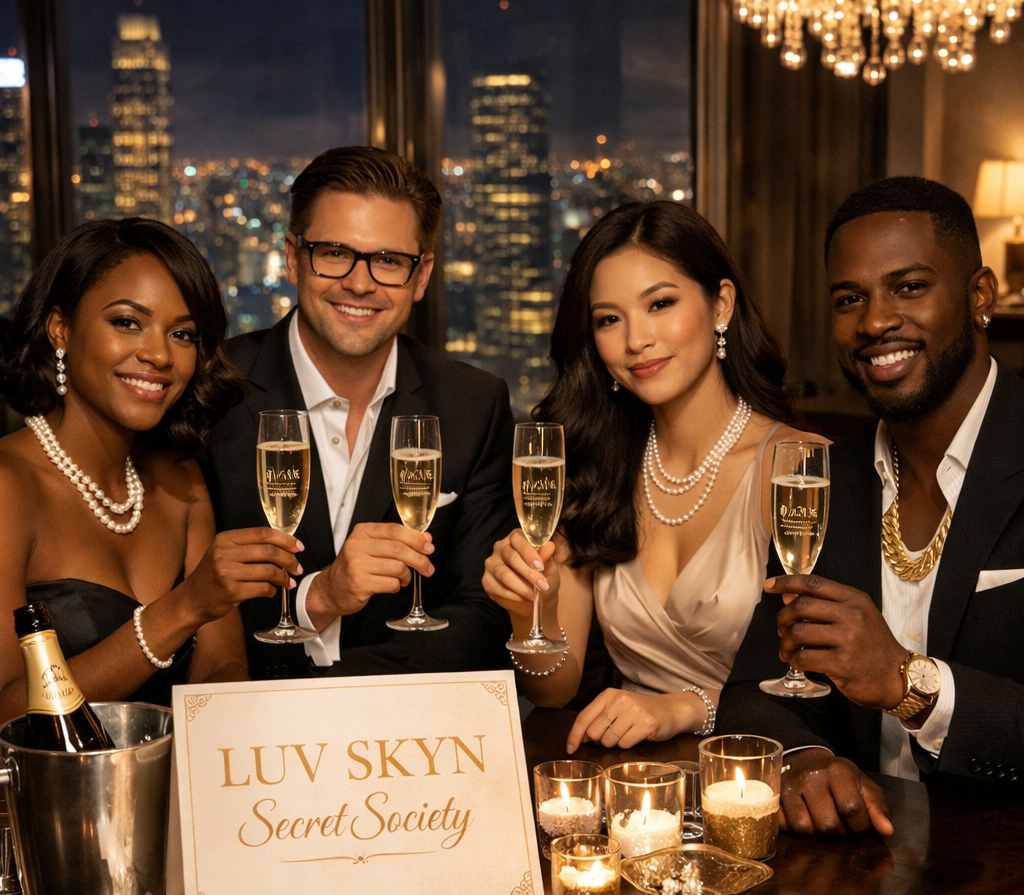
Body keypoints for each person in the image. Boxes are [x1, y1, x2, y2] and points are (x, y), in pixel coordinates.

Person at [718, 176, 1022, 839]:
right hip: (863, 868)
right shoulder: (821, 479)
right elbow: (751, 691)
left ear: (979, 296)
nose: (875, 322)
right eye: (850, 299)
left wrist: (909, 683)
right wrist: (805, 759)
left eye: (908, 287)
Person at [483, 200, 822, 750]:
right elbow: (553, 690)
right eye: (609, 319)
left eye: (660, 304)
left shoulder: (797, 470)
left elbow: (823, 686)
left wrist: (687, 708)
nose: (635, 339)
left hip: (762, 769)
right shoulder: (594, 464)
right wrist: (529, 616)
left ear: (721, 304)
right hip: (634, 776)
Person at [203, 147, 516, 679]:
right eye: (334, 253)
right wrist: (317, 598)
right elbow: (183, 611)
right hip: (247, 724)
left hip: (411, 725)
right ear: (293, 257)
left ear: (421, 276)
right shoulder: (213, 394)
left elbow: (484, 621)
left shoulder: (473, 404)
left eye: (389, 261)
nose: (360, 283)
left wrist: (342, 695)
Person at [0, 219, 305, 721]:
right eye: (127, 322)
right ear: (61, 328)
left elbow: (223, 668)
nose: (160, 355)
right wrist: (184, 607)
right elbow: (10, 710)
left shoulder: (180, 482)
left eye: (182, 334)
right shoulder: (9, 486)